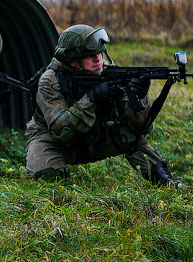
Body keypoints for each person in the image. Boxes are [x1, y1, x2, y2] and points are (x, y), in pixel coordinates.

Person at [25, 24, 180, 187]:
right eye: (90, 55)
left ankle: (164, 179)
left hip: (94, 136)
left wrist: (139, 98)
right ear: (72, 61)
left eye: (99, 53)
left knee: (131, 138)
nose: (98, 59)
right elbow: (60, 131)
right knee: (46, 178)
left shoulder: (109, 74)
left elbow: (139, 126)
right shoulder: (50, 81)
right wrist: (92, 98)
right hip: (53, 141)